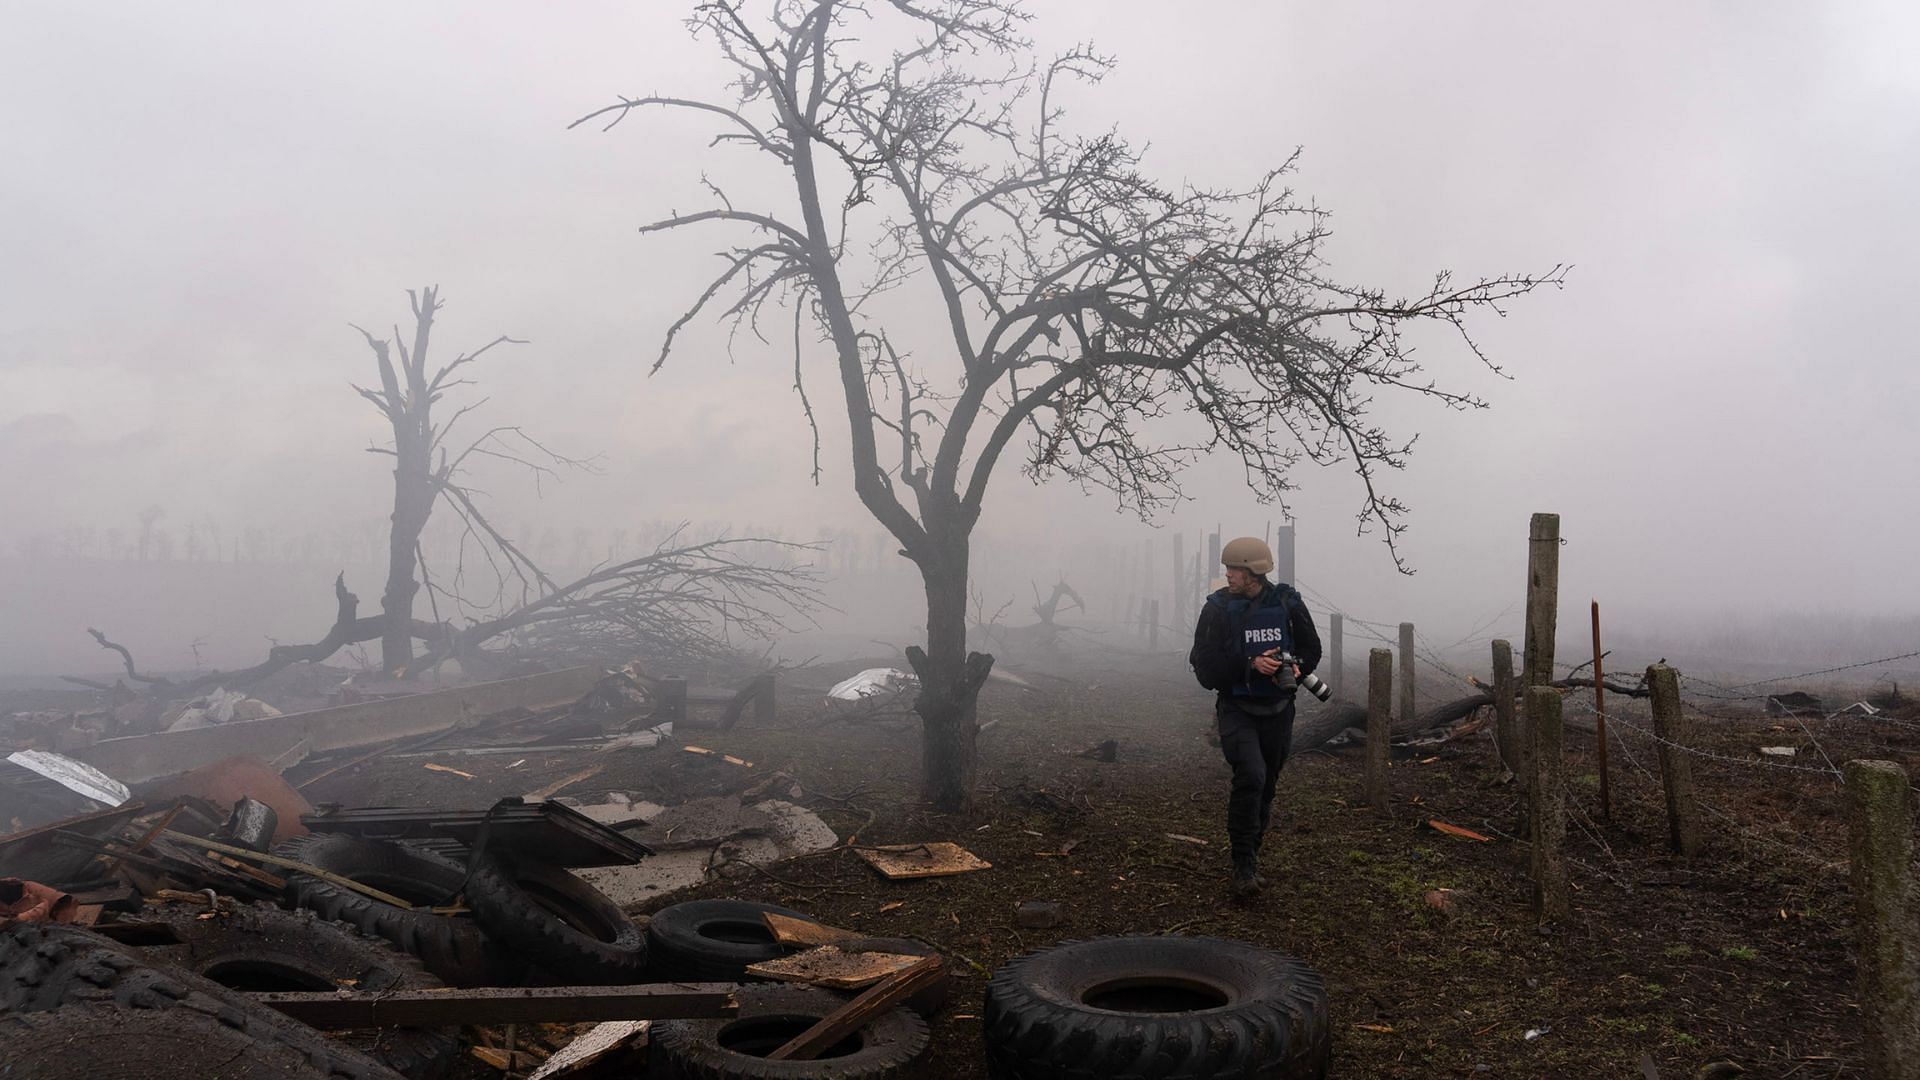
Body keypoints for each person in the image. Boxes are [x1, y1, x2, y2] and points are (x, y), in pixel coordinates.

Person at [1188, 536, 1322, 900]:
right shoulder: (1216, 609)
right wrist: (1249, 665)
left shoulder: (1286, 602)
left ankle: (1252, 855)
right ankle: (1242, 865)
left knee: (1268, 785)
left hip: (1279, 710)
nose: (1228, 575)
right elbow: (1204, 668)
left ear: (1254, 572)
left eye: (1235, 569)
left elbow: (1312, 649)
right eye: (1228, 568)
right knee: (1252, 775)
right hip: (1236, 709)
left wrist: (1293, 668)